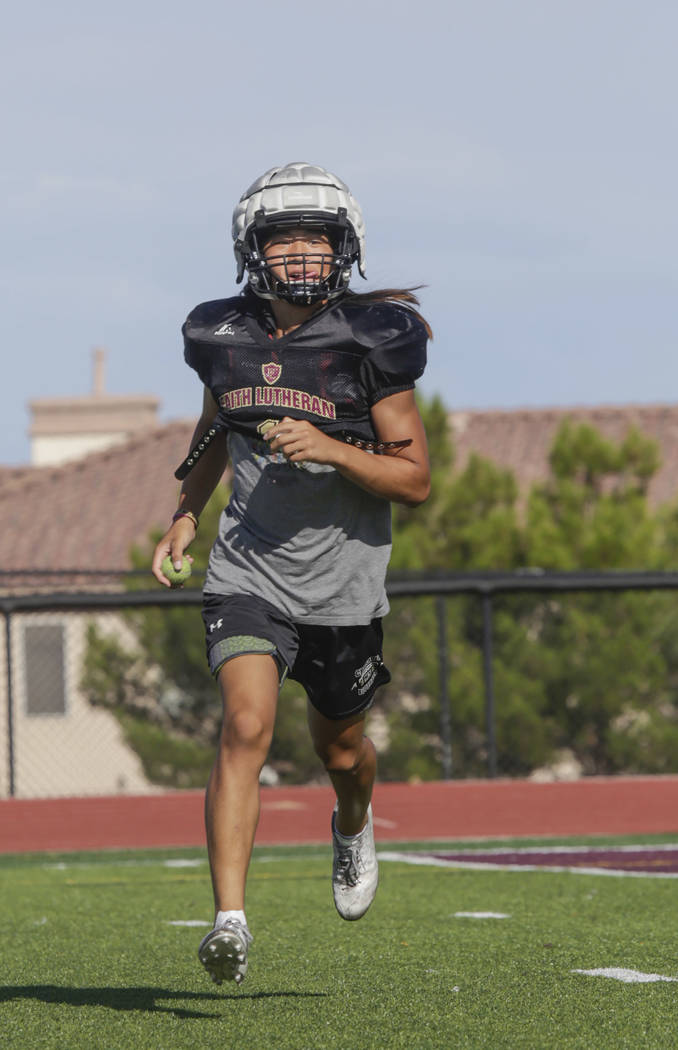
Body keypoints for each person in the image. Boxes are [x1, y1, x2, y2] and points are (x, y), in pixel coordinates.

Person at [151, 162, 432, 987]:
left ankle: (353, 821)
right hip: (250, 568)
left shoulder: (371, 341)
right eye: (287, 239)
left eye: (319, 239)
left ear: (345, 251)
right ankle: (229, 920)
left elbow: (415, 481)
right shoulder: (222, 335)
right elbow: (212, 432)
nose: (304, 255)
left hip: (344, 585)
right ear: (254, 250)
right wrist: (183, 513)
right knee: (246, 725)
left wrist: (335, 449)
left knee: (341, 750)